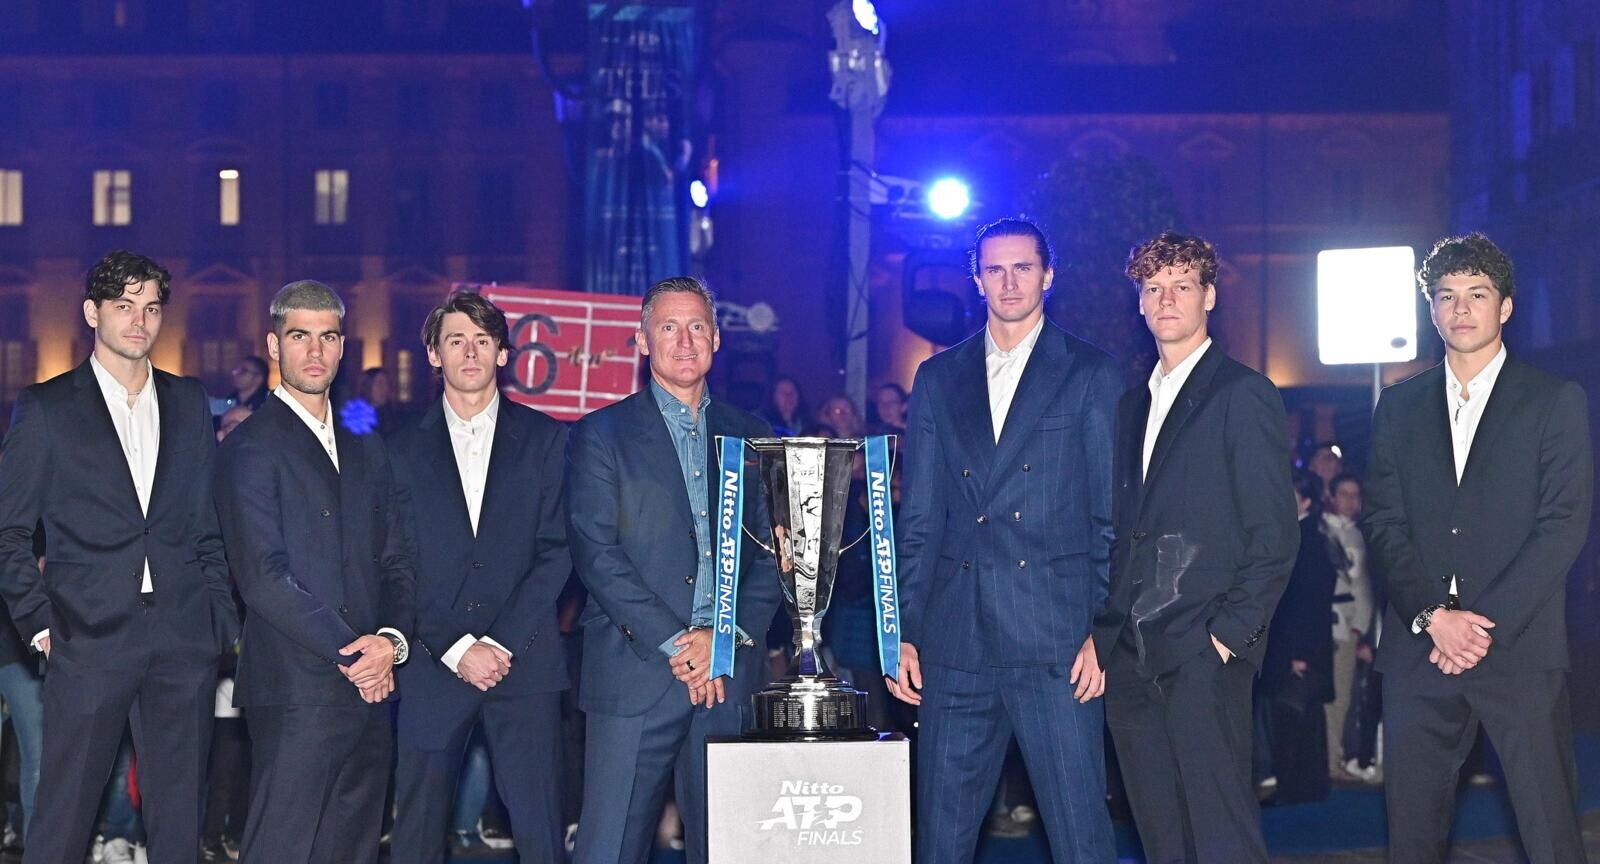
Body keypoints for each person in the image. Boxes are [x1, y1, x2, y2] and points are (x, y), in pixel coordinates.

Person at [891, 217, 1122, 863]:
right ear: (977, 280)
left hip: (1056, 639)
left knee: (1080, 835)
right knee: (941, 839)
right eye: (995, 269)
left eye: (1023, 267)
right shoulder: (939, 377)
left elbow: (1110, 516)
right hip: (956, 640)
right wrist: (904, 630)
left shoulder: (1090, 373)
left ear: (1048, 276)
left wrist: (1103, 630)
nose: (1009, 281)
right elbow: (920, 519)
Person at [0, 250, 239, 864]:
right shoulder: (48, 407)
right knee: (63, 820)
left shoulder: (189, 401)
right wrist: (42, 625)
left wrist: (217, 620)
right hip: (86, 638)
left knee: (177, 822)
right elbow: (9, 532)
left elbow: (208, 525)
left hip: (184, 637)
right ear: (92, 313)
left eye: (151, 308)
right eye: (124, 306)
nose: (139, 321)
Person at [1364, 233, 1592, 864]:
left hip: (1518, 649)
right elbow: (1384, 521)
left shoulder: (1553, 401)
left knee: (1550, 836)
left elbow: (1563, 524)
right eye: (1447, 296)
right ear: (1432, 310)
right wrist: (1434, 617)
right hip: (1419, 651)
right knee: (1412, 840)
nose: (1461, 308)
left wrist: (1479, 626)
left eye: (1477, 294)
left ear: (1505, 307)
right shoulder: (1398, 406)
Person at [1093, 231, 1297, 864]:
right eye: (1153, 288)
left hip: (1203, 651)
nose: (1166, 299)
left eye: (1182, 286)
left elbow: (1275, 532)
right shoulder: (1130, 407)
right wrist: (1104, 634)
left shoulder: (1242, 392)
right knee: (1162, 841)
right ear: (1139, 301)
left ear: (1209, 296)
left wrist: (1229, 637)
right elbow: (1120, 529)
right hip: (1130, 655)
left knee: (1222, 836)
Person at [565, 276, 781, 864]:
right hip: (636, 674)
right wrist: (683, 644)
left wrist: (723, 639)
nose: (684, 341)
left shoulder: (754, 435)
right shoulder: (599, 435)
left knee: (733, 850)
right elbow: (596, 554)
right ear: (642, 341)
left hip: (729, 677)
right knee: (610, 849)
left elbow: (773, 553)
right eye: (668, 327)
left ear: (716, 339)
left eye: (696, 327)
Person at [214, 280, 415, 864]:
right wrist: (359, 654)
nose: (315, 351)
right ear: (274, 346)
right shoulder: (250, 446)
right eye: (300, 336)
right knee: (283, 848)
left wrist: (391, 642)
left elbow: (398, 559)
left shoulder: (366, 443)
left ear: (343, 345)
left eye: (328, 337)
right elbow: (263, 576)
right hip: (296, 687)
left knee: (353, 849)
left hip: (374, 684)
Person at [387, 290, 571, 864]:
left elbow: (558, 550)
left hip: (526, 661)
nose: (470, 352)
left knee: (541, 834)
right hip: (432, 662)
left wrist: (500, 642)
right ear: (433, 354)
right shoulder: (394, 450)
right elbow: (396, 564)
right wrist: (457, 646)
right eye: (456, 340)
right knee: (416, 838)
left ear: (503, 353)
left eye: (482, 340)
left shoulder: (547, 439)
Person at [1258, 470, 1338, 804]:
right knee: (1303, 715)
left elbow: (1307, 602)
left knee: (1292, 716)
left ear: (1305, 501)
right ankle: (1306, 786)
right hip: (1302, 643)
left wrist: (1300, 652)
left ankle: (1294, 787)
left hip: (1300, 645)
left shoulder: (1305, 540)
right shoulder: (1308, 536)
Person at [202, 402, 252, 863]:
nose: (235, 433)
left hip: (251, 639)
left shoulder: (260, 481)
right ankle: (209, 832)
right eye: (229, 425)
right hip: (211, 636)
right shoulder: (205, 483)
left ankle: (232, 831)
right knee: (213, 749)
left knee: (241, 750)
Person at [1321, 472, 1373, 779]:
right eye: (1344, 494)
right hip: (1328, 623)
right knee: (1331, 697)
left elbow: (1363, 586)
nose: (1351, 501)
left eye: (1356, 495)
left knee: (1342, 696)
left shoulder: (1358, 533)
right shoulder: (1321, 530)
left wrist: (1361, 627)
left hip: (1349, 627)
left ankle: (1333, 758)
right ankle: (1327, 762)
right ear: (1331, 495)